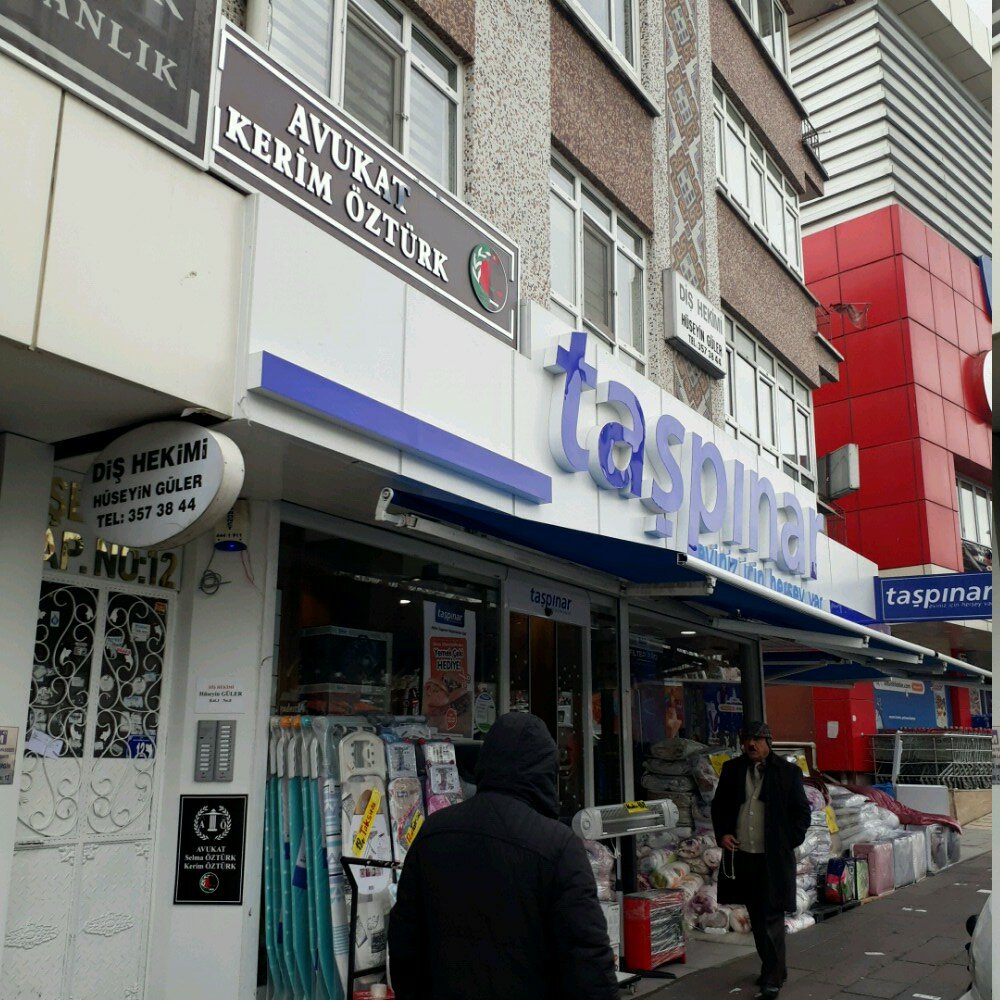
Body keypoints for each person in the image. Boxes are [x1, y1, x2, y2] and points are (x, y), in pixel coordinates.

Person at [388, 712, 618, 1000]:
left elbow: (404, 939)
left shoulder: (434, 832)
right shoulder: (558, 846)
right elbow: (587, 956)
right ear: (546, 770)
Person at [711, 721, 810, 1000]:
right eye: (746, 739)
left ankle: (773, 978)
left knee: (771, 916)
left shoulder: (788, 773)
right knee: (756, 916)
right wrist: (723, 833)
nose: (751, 744)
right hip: (743, 856)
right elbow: (719, 806)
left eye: (756, 739)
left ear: (768, 742)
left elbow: (802, 814)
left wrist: (785, 842)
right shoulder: (732, 769)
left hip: (772, 860)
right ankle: (774, 968)